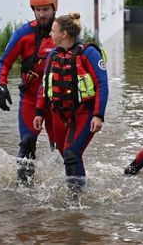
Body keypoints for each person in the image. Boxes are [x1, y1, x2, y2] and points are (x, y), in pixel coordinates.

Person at [33, 12, 108, 194]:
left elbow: (102, 85)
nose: (50, 34)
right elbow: (45, 85)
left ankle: (77, 200)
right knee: (66, 155)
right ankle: (75, 191)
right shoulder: (52, 56)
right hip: (59, 114)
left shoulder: (89, 53)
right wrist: (39, 112)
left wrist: (98, 116)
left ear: (64, 34)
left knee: (72, 154)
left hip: (84, 113)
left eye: (53, 31)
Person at [0, 0, 58, 184]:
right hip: (31, 99)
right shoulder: (23, 34)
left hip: (57, 101)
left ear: (54, 8)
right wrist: (1, 86)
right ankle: (24, 194)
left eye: (45, 9)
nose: (41, 14)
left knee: (62, 149)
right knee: (27, 144)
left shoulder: (63, 32)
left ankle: (65, 189)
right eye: (37, 10)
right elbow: (4, 63)